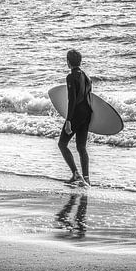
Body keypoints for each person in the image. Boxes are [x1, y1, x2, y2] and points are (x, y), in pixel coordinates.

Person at [58, 49, 93, 186]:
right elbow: (89, 97)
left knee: (62, 144)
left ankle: (76, 174)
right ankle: (87, 178)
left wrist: (68, 121)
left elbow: (72, 100)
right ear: (80, 61)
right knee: (81, 147)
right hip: (87, 114)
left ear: (68, 62)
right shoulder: (87, 77)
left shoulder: (71, 77)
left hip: (76, 115)